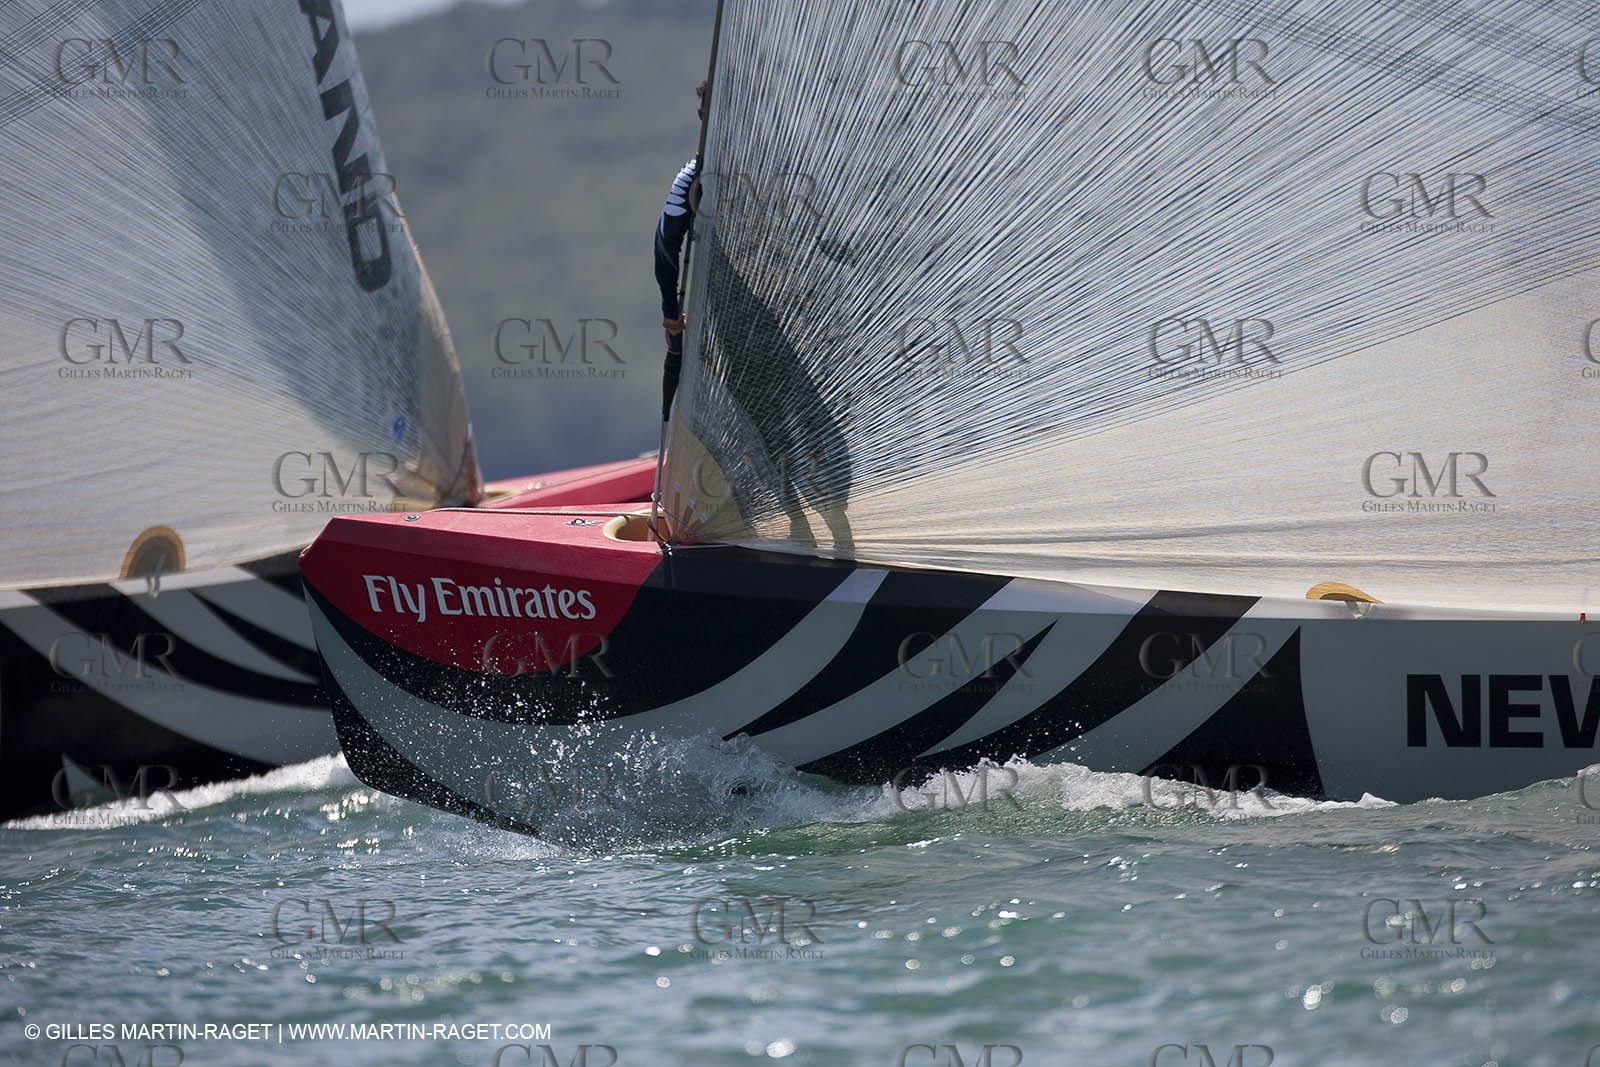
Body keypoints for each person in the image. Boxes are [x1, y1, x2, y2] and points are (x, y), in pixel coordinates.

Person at [650, 81, 854, 553]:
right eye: (705, 112)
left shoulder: (698, 176)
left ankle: (822, 520)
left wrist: (668, 313)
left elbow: (664, 246)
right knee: (780, 415)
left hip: (769, 322)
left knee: (781, 416)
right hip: (752, 326)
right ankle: (810, 522)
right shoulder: (742, 172)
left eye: (710, 112)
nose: (707, 121)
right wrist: (670, 312)